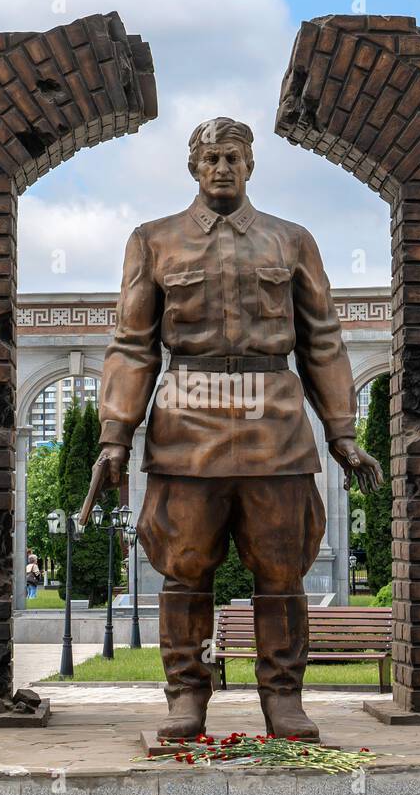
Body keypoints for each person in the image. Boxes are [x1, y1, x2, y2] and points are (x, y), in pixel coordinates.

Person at [91, 117, 382, 739]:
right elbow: (133, 345)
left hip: (273, 427)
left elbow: (323, 341)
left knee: (282, 569)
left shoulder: (291, 240)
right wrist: (116, 433)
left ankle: (283, 700)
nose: (221, 168)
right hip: (186, 430)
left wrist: (343, 431)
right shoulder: (154, 241)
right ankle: (186, 701)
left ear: (251, 166)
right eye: (210, 158)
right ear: (193, 167)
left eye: (233, 157)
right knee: (184, 568)